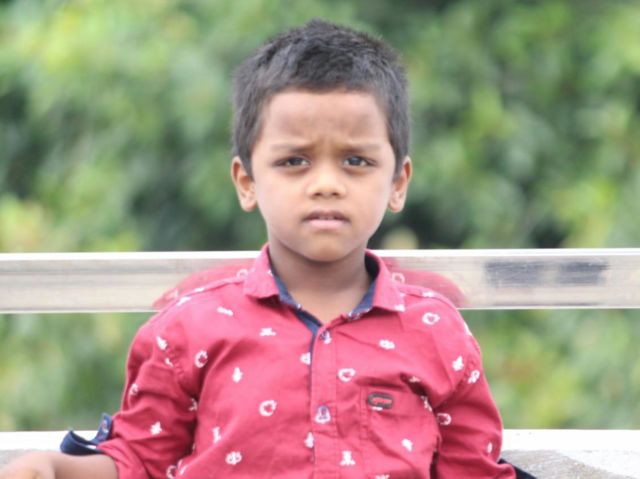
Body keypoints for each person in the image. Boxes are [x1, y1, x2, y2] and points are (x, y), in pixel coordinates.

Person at [0, 19, 520, 479]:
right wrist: (53, 468)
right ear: (246, 182)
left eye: (355, 161)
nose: (326, 184)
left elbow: (473, 472)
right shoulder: (188, 331)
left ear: (398, 182)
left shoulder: (435, 333)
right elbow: (138, 461)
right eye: (294, 161)